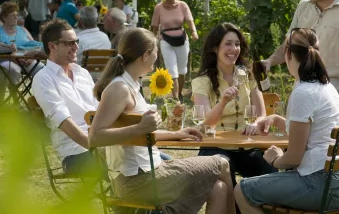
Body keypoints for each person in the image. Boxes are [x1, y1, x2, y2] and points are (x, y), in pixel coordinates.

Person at [89, 28, 235, 214]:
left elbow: (141, 133)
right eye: (156, 52)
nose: (157, 58)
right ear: (145, 55)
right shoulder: (119, 88)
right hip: (137, 182)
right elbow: (95, 137)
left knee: (219, 188)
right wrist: (140, 127)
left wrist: (177, 134)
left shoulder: (130, 85)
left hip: (147, 174)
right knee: (222, 162)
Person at [235, 28, 339, 213]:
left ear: (288, 54)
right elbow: (313, 133)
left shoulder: (303, 92)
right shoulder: (327, 87)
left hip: (322, 186)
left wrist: (274, 159)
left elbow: (294, 157)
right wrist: (276, 120)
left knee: (242, 190)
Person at [192, 23, 275, 186]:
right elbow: (206, 123)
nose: (234, 49)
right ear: (215, 48)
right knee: (224, 176)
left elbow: (261, 114)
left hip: (246, 145)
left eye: (237, 44)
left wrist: (255, 124)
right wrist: (222, 102)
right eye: (228, 44)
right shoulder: (202, 81)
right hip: (216, 146)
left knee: (270, 173)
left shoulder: (248, 75)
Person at [32, 19, 101, 176]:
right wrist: (93, 144)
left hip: (101, 144)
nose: (76, 47)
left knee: (157, 158)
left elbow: (99, 109)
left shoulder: (82, 73)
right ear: (52, 46)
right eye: (69, 43)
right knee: (138, 166)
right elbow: (62, 120)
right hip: (75, 154)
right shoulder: (43, 78)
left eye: (76, 41)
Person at [151, 0, 198, 101]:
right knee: (171, 69)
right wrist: (152, 41)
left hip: (181, 39)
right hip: (166, 40)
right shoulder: (159, 8)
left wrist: (193, 31)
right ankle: (175, 97)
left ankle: (180, 93)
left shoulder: (183, 5)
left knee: (182, 70)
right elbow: (155, 26)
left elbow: (189, 20)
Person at [0, 2, 44, 90]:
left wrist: (31, 57)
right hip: (9, 60)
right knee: (13, 70)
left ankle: (38, 98)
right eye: (12, 15)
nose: (16, 17)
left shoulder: (23, 30)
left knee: (42, 70)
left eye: (16, 15)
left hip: (28, 59)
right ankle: (15, 100)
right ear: (4, 18)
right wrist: (16, 58)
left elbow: (35, 45)